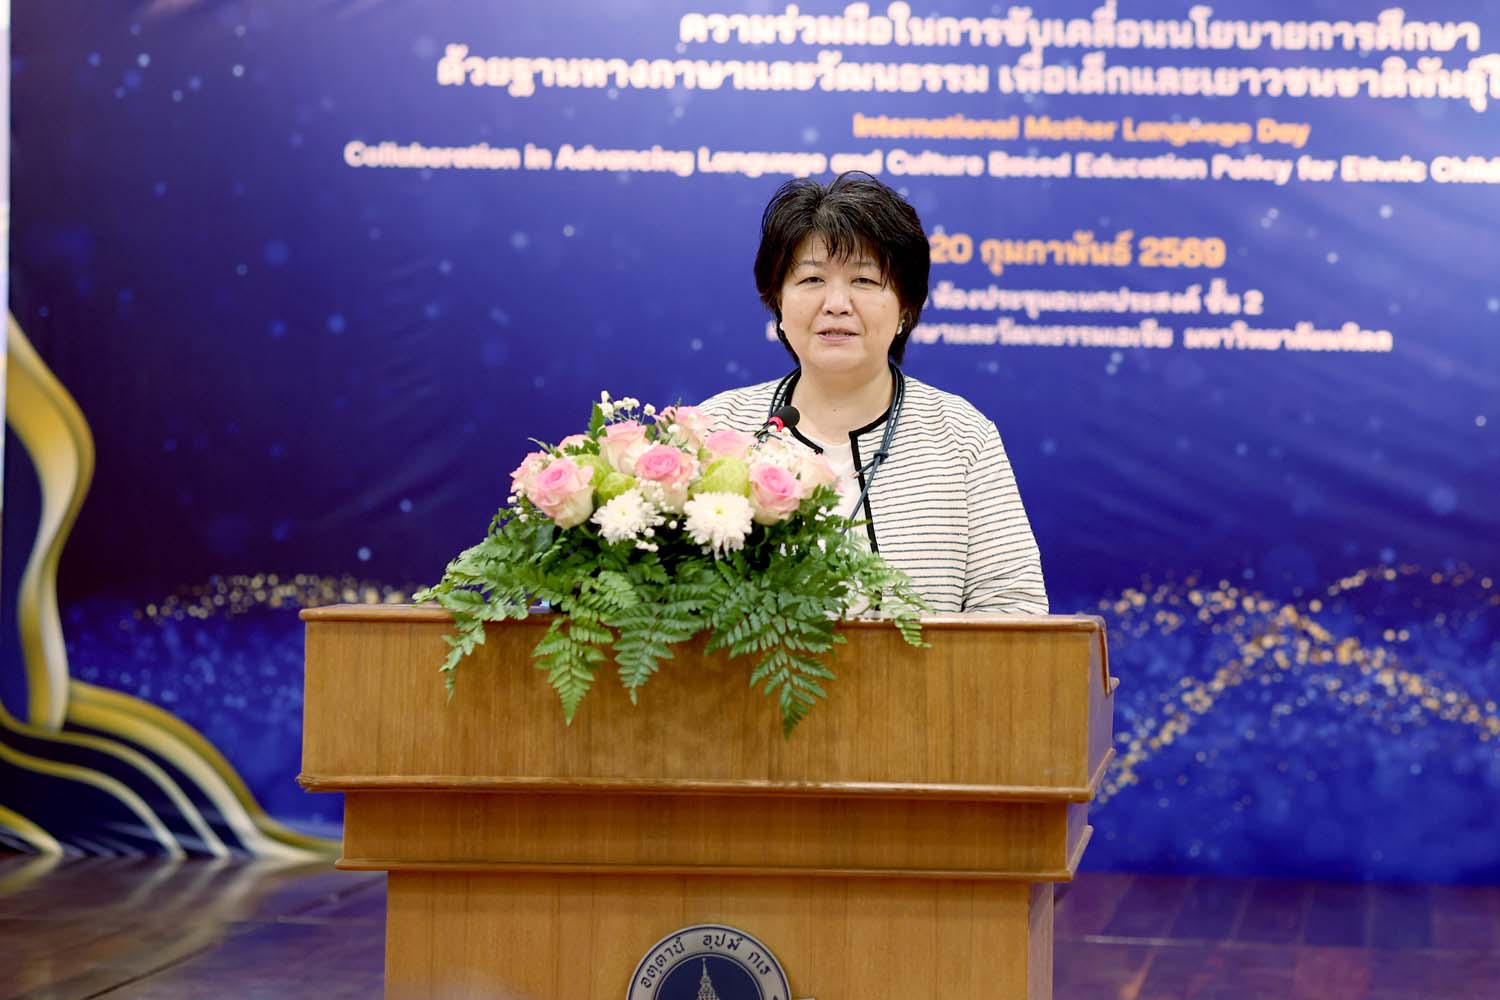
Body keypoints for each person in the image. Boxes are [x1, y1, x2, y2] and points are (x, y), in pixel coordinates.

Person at [698, 172, 1048, 614]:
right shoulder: (719, 429)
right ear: (778, 303)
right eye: (812, 279)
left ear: (905, 307)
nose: (836, 304)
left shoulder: (961, 436)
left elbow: (1014, 609)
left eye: (864, 280)